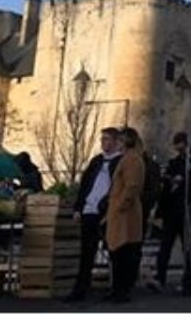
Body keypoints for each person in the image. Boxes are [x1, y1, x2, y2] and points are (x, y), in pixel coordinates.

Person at [64, 127, 121, 303]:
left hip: (107, 211)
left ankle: (117, 289)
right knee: (87, 252)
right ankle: (80, 289)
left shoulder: (120, 162)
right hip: (89, 210)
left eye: (107, 139)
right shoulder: (96, 161)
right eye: (102, 139)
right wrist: (78, 208)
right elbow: (85, 185)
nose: (104, 143)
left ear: (116, 141)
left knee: (113, 251)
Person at [104, 127, 146, 303]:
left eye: (120, 141)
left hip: (125, 215)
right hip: (119, 212)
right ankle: (117, 290)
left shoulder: (132, 160)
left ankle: (121, 291)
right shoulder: (127, 159)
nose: (118, 144)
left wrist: (120, 205)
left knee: (122, 253)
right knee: (118, 254)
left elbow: (132, 186)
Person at [153, 132, 190, 290]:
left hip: (186, 211)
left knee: (187, 247)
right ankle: (159, 278)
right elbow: (165, 189)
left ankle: (187, 279)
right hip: (172, 212)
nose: (179, 148)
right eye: (177, 145)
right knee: (165, 246)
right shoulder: (173, 163)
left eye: (181, 144)